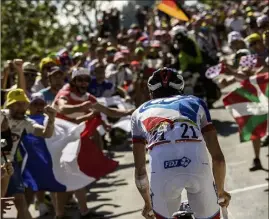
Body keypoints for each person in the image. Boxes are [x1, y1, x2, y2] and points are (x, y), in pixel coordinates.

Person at [131, 68, 231, 219]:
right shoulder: (196, 102)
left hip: (162, 175)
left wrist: (147, 203)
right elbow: (218, 158)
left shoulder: (138, 113)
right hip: (197, 169)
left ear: (151, 92)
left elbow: (140, 172)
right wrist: (221, 191)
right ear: (181, 89)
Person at [1, 88, 56, 219]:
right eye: (18, 104)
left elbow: (45, 133)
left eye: (24, 103)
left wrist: (51, 119)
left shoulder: (26, 122)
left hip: (9, 165)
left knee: (21, 203)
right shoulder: (1, 115)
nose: (22, 107)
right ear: (9, 105)